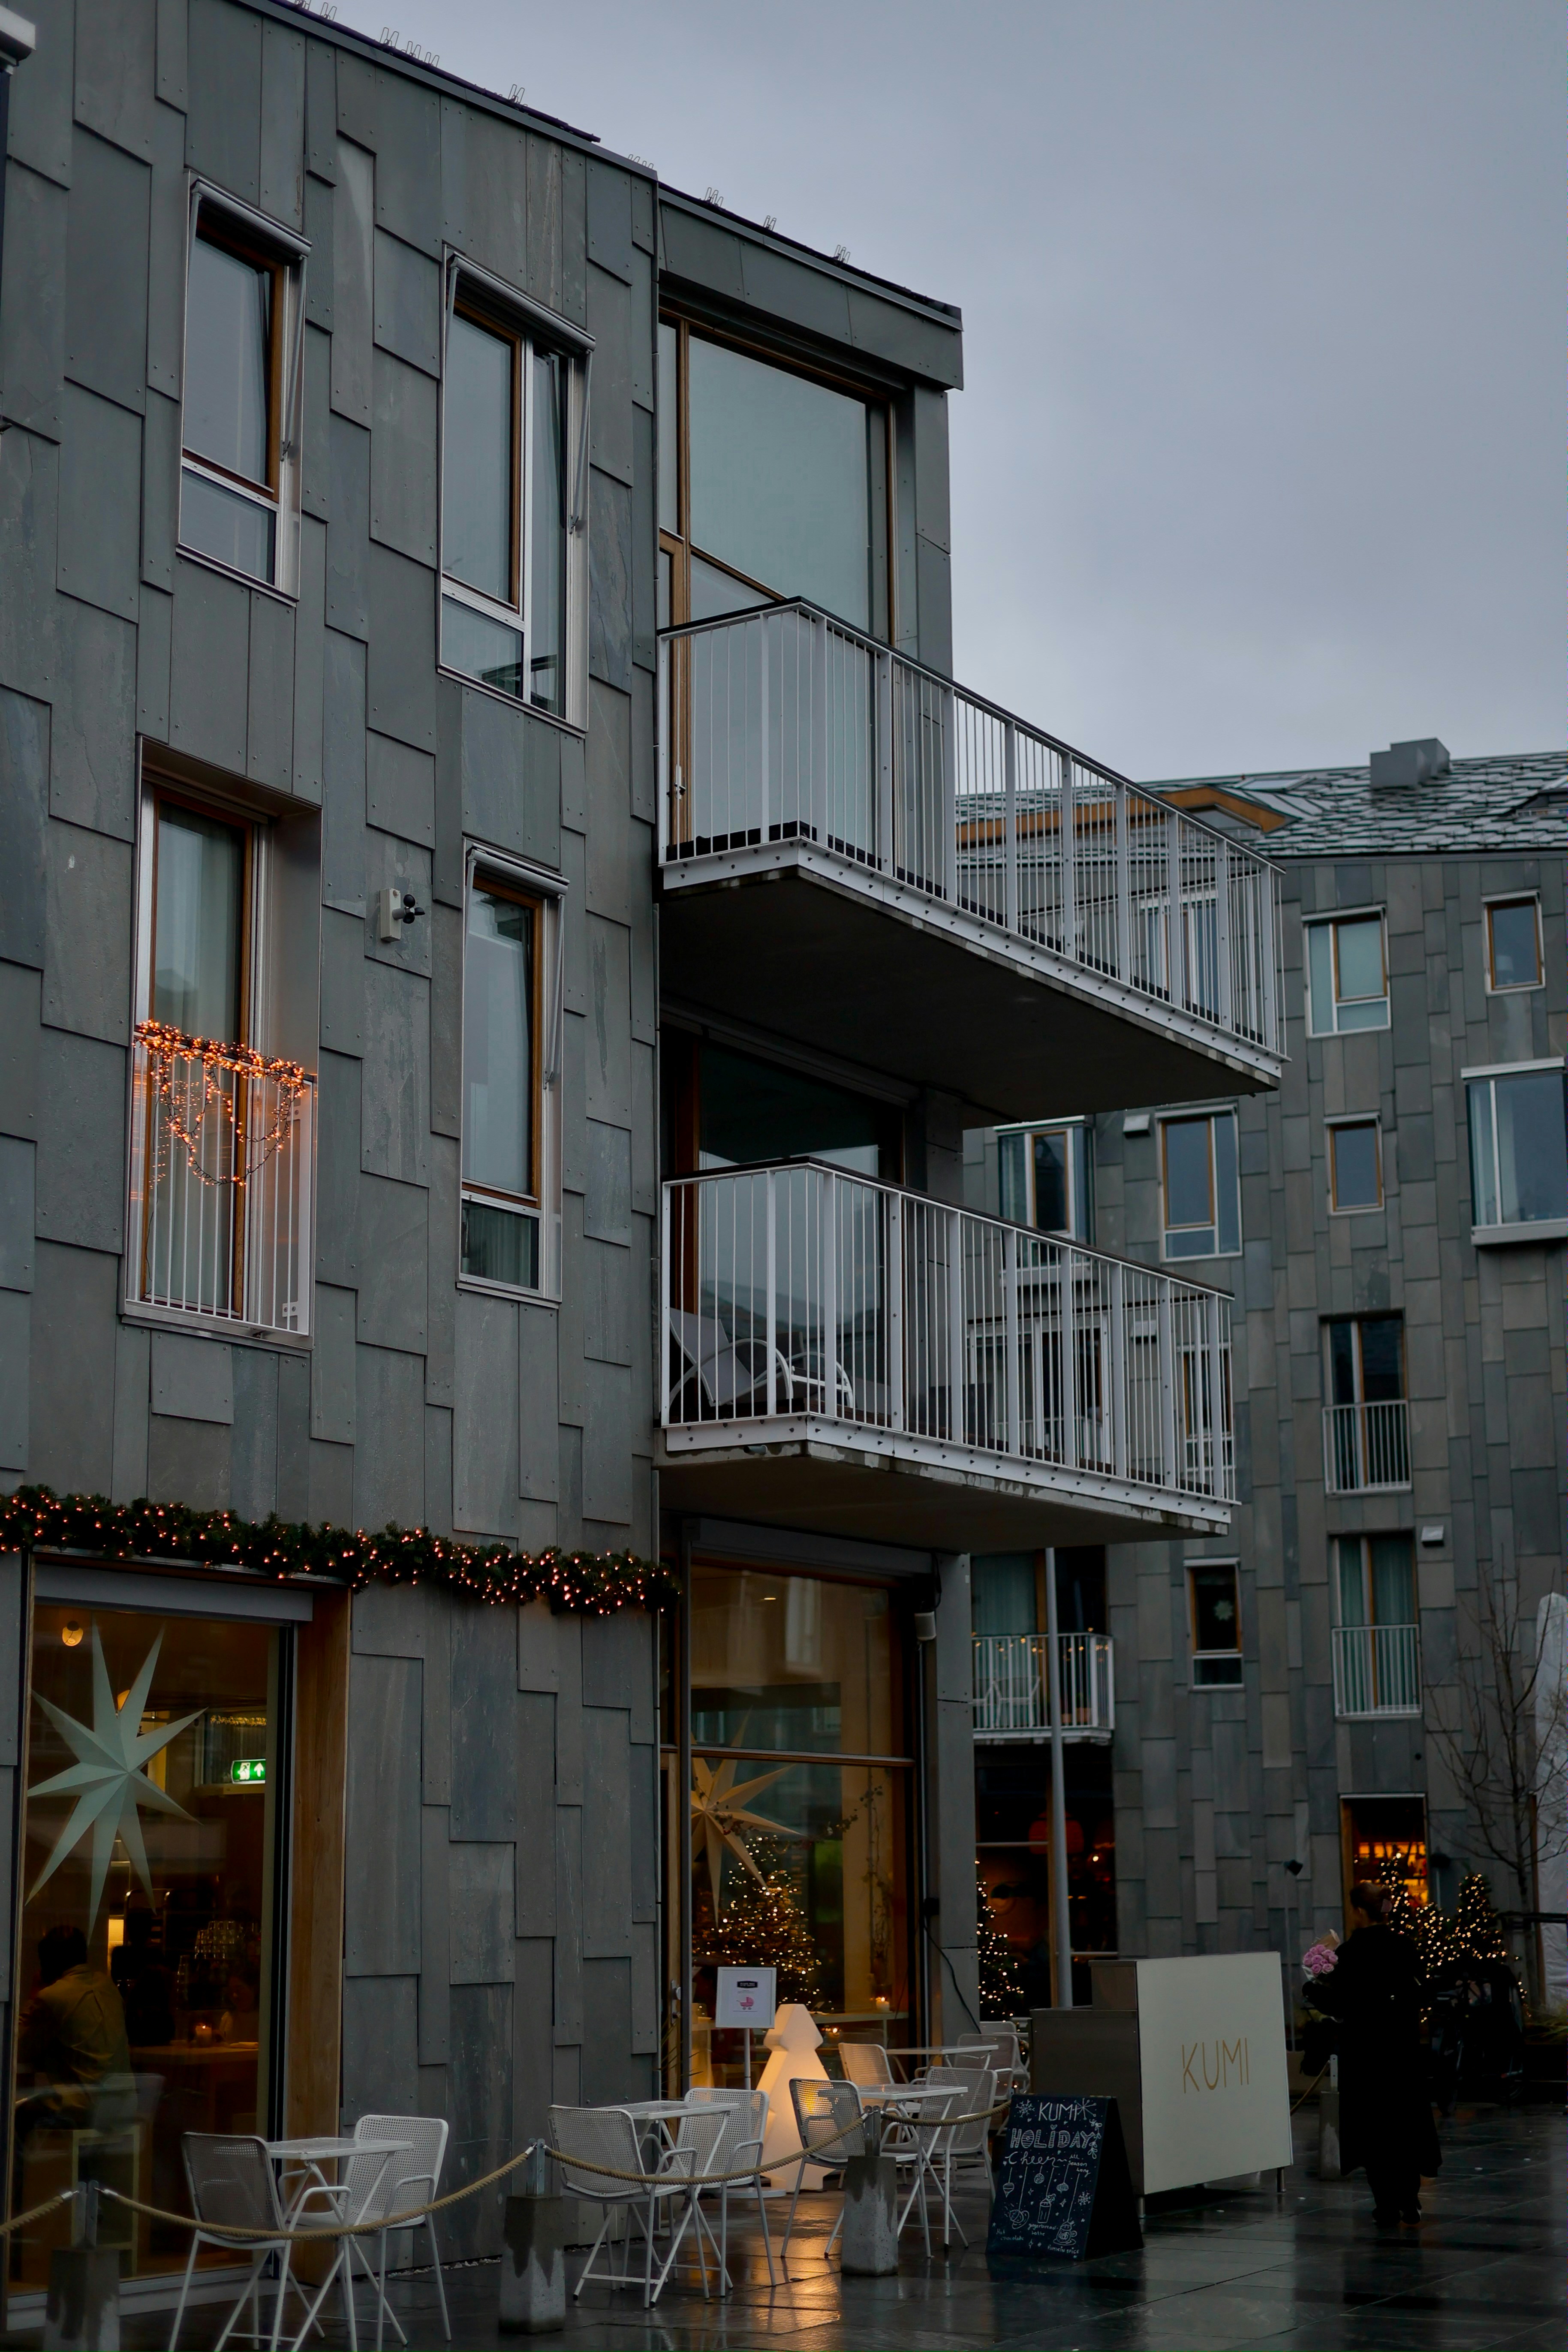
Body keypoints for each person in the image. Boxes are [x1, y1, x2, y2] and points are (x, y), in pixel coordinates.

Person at [1309, 1881, 1442, 2224]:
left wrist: (1315, 1986)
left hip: (1366, 2057)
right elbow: (1422, 1990)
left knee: (1373, 2130)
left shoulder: (1351, 1954)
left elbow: (1339, 2003)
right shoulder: (1403, 1946)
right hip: (1402, 2054)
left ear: (1357, 1911)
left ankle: (1385, 2203)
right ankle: (1410, 2198)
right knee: (1404, 2125)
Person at [15, 1924, 136, 2138]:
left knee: (11, 2116)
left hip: (83, 2110)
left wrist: (34, 1995)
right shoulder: (107, 1987)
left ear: (48, 1963)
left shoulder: (53, 1997)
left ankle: (26, 2172)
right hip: (123, 2105)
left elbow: (19, 2048)